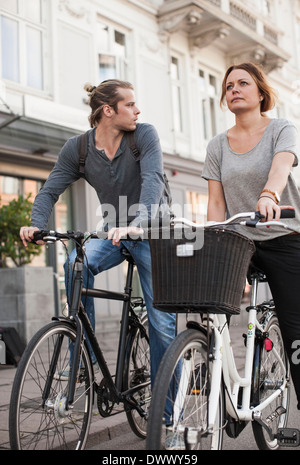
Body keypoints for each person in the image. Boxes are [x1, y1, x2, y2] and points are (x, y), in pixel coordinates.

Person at [19, 79, 176, 400]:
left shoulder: (143, 135)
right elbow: (49, 191)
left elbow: (153, 181)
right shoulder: (77, 149)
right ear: (108, 111)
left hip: (153, 233)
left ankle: (170, 416)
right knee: (76, 261)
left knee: (162, 327)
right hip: (114, 232)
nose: (137, 110)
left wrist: (139, 224)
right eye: (130, 104)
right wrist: (36, 225)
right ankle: (86, 360)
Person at [202, 62, 300, 411]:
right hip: (239, 239)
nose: (234, 90)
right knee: (210, 307)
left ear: (260, 93)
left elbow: (281, 167)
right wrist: (211, 241)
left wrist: (269, 195)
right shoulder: (217, 146)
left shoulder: (281, 129)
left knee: (294, 325)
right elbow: (216, 202)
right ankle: (216, 383)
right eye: (229, 86)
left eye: (243, 83)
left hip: (283, 236)